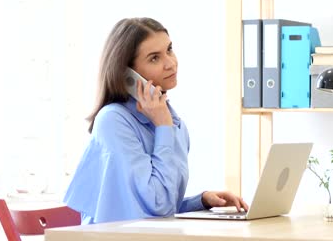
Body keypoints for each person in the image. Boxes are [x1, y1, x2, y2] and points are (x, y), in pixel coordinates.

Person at [63, 17, 248, 224]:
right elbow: (156, 206)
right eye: (154, 58)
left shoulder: (171, 121)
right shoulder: (113, 121)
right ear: (127, 74)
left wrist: (202, 201)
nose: (171, 63)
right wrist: (163, 127)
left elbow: (158, 206)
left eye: (169, 49)